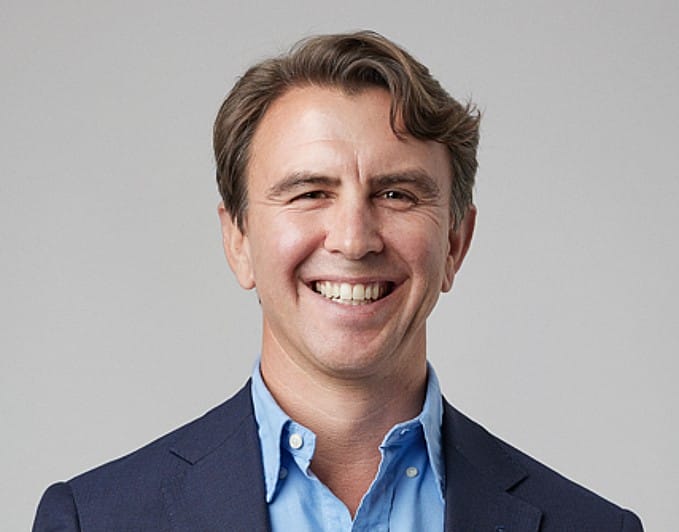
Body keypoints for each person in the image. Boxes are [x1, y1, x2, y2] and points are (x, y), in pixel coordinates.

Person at [33, 30, 643, 531]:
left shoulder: (592, 528)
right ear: (238, 240)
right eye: (310, 192)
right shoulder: (95, 521)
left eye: (397, 194)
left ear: (455, 243)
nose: (354, 240)